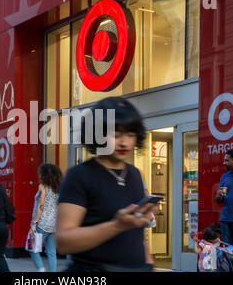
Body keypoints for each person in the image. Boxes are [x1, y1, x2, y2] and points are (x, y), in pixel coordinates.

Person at [56, 97, 158, 272]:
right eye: (115, 135)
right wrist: (116, 226)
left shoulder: (134, 174)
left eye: (130, 135)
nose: (124, 142)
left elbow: (137, 236)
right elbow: (63, 242)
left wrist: (148, 263)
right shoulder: (80, 175)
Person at [28, 163, 62, 272]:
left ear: (44, 174)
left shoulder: (42, 187)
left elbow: (40, 206)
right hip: (54, 225)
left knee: (32, 248)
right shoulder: (58, 189)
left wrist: (34, 223)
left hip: (42, 224)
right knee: (52, 252)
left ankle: (41, 269)